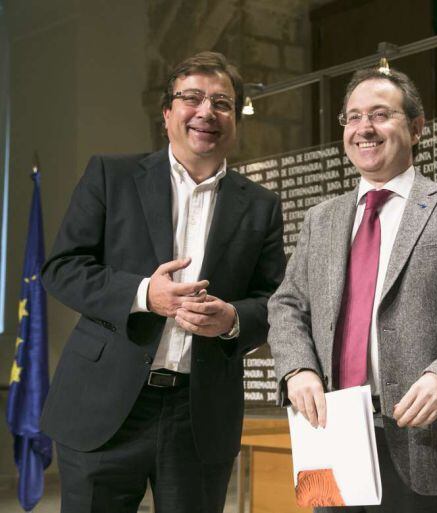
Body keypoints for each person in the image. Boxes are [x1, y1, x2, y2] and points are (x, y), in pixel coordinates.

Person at [40, 51, 285, 513]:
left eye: (222, 102)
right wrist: (142, 294)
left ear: (235, 119)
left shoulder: (261, 206)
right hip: (105, 408)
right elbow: (62, 268)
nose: (206, 111)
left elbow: (275, 301)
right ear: (168, 113)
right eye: (191, 97)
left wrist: (232, 318)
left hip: (199, 416)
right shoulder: (111, 176)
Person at [268, 68, 437, 512]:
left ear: (416, 128)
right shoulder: (320, 220)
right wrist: (297, 369)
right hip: (332, 435)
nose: (364, 128)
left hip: (425, 438)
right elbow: (286, 305)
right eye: (354, 117)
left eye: (381, 115)